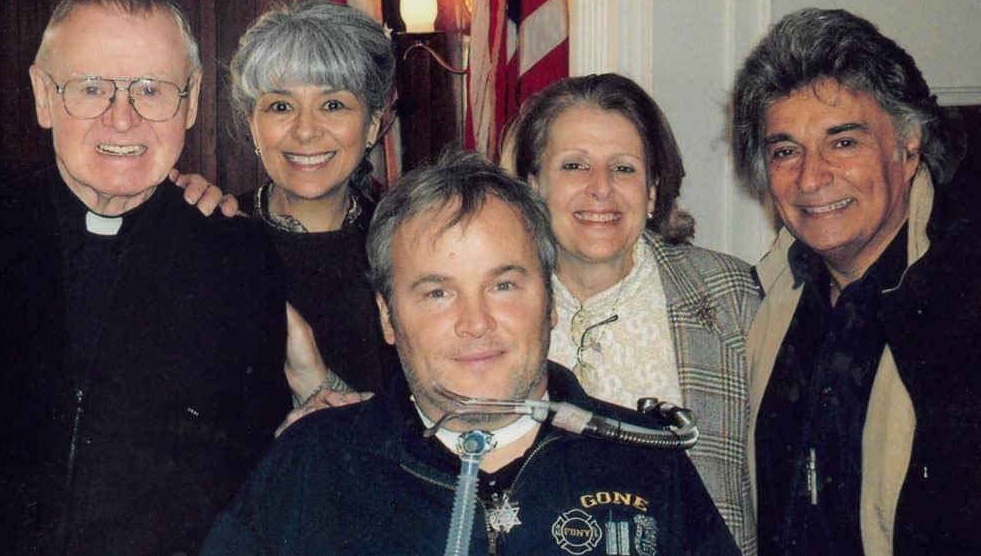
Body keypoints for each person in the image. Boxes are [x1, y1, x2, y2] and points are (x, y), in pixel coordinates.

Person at [199, 150, 741, 556]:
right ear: (388, 318)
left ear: (549, 300)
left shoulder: (646, 465)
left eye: (503, 286)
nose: (475, 323)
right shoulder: (310, 465)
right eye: (438, 293)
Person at [0, 0, 290, 556]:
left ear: (189, 100)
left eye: (152, 90)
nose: (122, 120)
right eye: (90, 89)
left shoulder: (238, 257)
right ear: (42, 95)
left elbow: (250, 474)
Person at [731, 7, 979, 556]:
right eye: (785, 151)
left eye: (844, 142)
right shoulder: (762, 300)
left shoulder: (963, 307)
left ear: (909, 146)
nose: (811, 177)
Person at [511, 73, 759, 555]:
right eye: (575, 166)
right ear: (534, 186)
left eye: (623, 169)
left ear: (651, 191)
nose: (600, 189)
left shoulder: (732, 298)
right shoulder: (494, 305)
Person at [220, 0, 400, 409]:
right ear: (252, 124)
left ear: (372, 123)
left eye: (332, 105)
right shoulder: (216, 238)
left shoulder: (410, 242)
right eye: (281, 106)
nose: (305, 131)